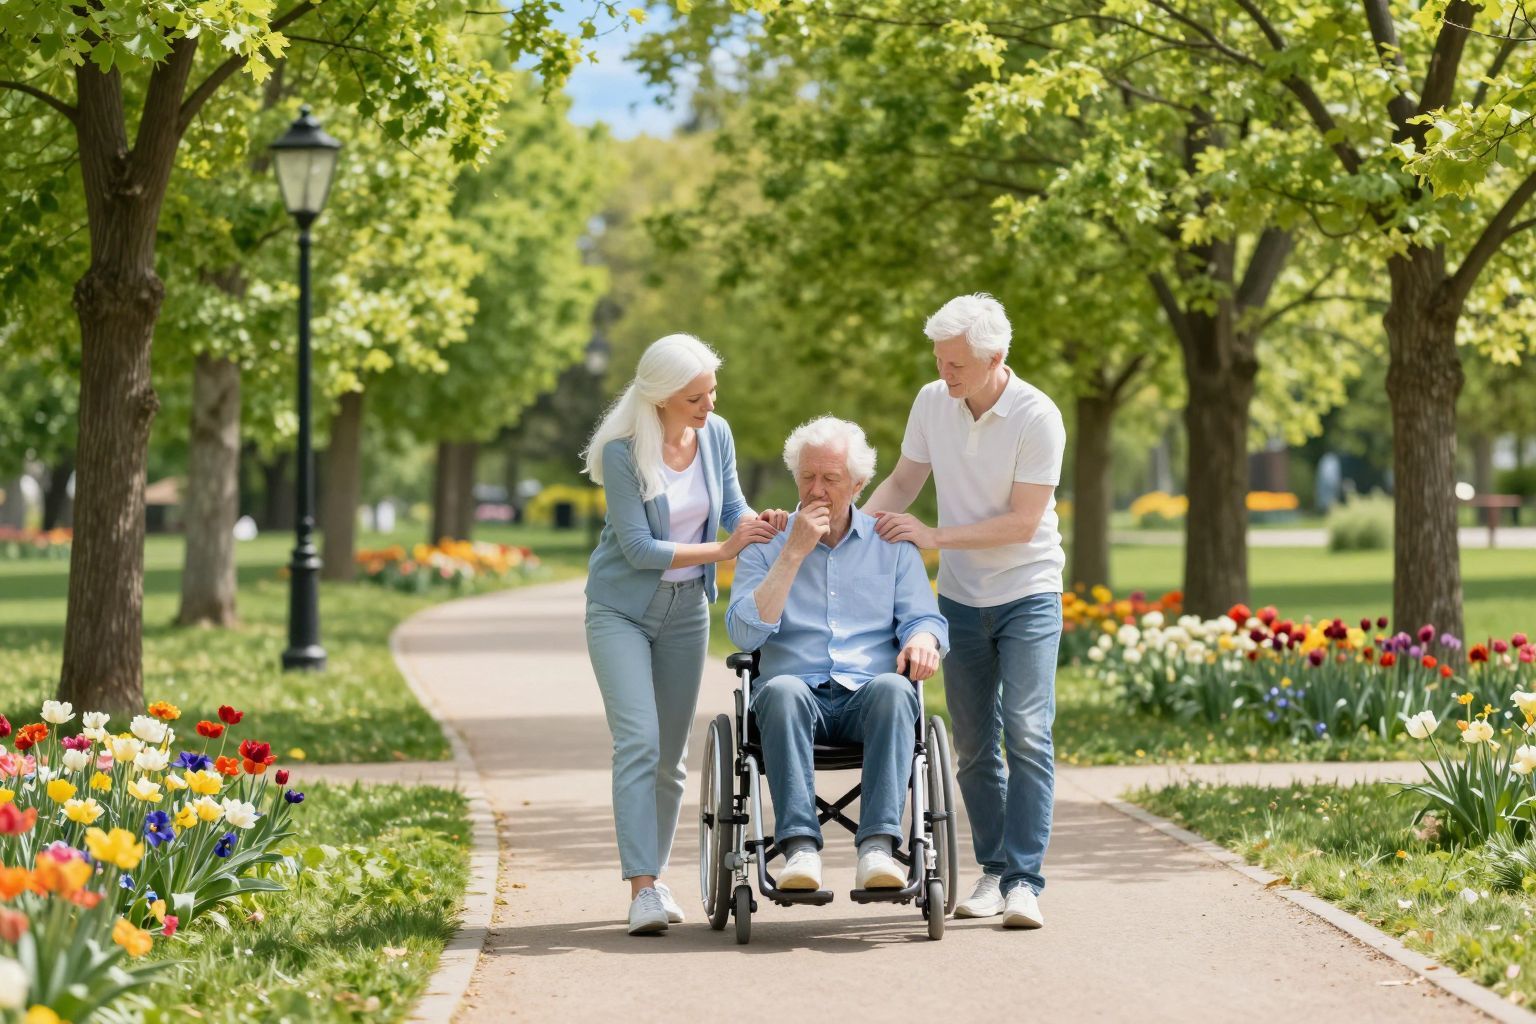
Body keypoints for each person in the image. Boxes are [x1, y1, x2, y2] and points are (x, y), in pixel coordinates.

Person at [863, 293, 1066, 929]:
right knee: (975, 745)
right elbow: (901, 482)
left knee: (1028, 732)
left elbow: (1023, 522)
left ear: (995, 358)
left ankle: (1027, 881)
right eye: (939, 360)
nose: (944, 374)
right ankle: (994, 871)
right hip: (961, 595)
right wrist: (843, 534)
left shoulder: (1037, 416)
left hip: (1028, 590)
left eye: (956, 365)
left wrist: (933, 536)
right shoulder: (933, 402)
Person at [582, 334, 788, 936]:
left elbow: (732, 510)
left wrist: (760, 526)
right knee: (639, 742)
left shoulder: (714, 436)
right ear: (662, 397)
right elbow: (640, 549)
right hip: (620, 610)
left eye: (711, 393)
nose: (708, 405)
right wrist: (725, 550)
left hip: (686, 612)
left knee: (671, 758)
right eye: (696, 396)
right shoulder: (624, 453)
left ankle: (657, 878)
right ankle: (640, 889)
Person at [726, 416, 948, 892]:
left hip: (867, 696)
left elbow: (924, 618)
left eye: (831, 479)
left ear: (860, 484)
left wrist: (923, 641)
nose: (817, 490)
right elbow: (743, 633)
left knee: (894, 689)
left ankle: (877, 849)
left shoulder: (891, 547)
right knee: (782, 691)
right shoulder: (767, 544)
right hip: (793, 699)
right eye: (807, 477)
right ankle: (800, 848)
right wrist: (793, 554)